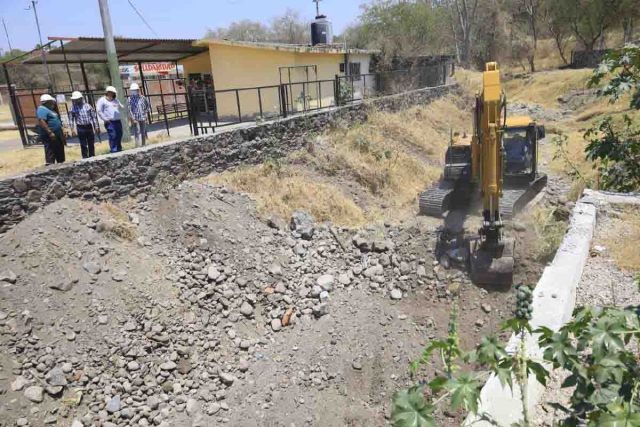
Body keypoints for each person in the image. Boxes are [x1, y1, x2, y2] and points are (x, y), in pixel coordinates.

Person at [69, 91, 100, 158]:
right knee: (83, 144)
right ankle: (85, 157)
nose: (76, 100)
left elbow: (93, 117)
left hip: (89, 126)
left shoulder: (88, 106)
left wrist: (96, 126)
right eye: (75, 99)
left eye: (78, 99)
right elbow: (71, 119)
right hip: (80, 127)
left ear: (81, 98)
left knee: (91, 143)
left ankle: (92, 156)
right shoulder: (72, 108)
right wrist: (72, 129)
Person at [37, 94, 65, 165]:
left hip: (57, 135)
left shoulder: (50, 110)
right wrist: (50, 132)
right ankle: (50, 167)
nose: (53, 103)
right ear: (47, 102)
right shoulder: (41, 109)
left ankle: (61, 164)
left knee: (59, 151)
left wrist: (62, 129)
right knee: (51, 151)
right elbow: (41, 121)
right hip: (50, 136)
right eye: (51, 102)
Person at [96, 86, 124, 153]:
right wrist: (105, 119)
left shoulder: (115, 100)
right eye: (112, 93)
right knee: (113, 135)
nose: (113, 94)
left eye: (114, 93)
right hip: (110, 122)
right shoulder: (102, 100)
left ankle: (119, 149)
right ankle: (114, 150)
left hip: (117, 121)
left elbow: (121, 107)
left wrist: (124, 107)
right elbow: (99, 110)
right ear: (108, 93)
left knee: (119, 134)